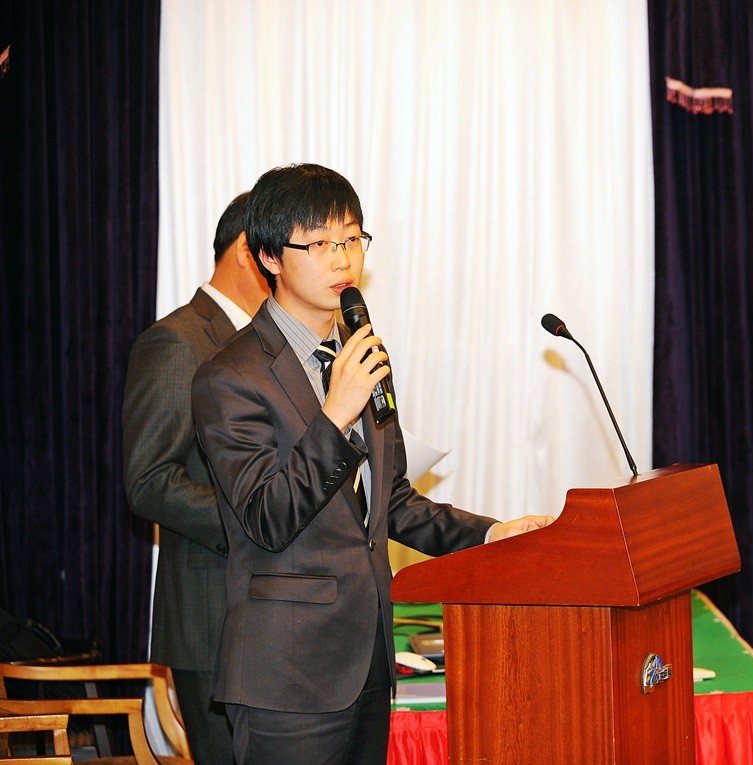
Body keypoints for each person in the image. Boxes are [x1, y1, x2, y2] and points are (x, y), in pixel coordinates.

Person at [190, 163, 553, 764]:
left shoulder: (359, 353)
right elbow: (267, 517)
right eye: (320, 244)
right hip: (287, 676)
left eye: (352, 239)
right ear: (269, 257)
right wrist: (335, 414)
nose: (343, 259)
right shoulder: (229, 377)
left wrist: (492, 536)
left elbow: (394, 500)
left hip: (368, 664)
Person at [122, 191, 270, 764]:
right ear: (248, 250)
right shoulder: (178, 341)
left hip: (276, 615)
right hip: (212, 617)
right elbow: (148, 478)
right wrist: (258, 519)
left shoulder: (272, 344)